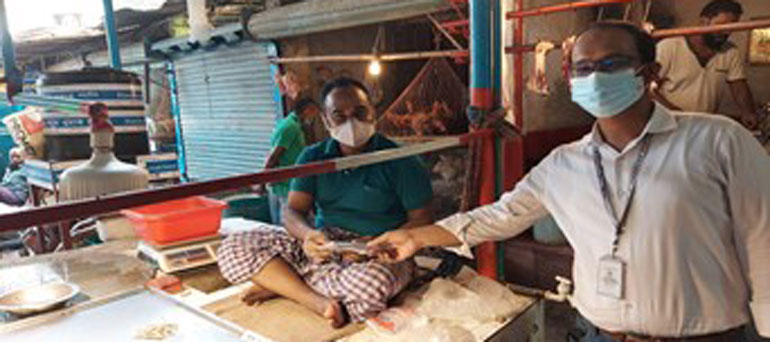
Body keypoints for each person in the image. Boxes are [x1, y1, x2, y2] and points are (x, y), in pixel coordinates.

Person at [370, 22, 769, 341]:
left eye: (611, 64)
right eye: (583, 68)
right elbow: (503, 215)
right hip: (602, 334)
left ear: (650, 73)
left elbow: (763, 236)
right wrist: (417, 237)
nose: (594, 77)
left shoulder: (718, 139)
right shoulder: (564, 163)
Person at [218, 77, 434, 328]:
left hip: (379, 249)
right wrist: (309, 235)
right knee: (234, 247)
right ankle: (317, 301)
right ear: (325, 120)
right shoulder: (313, 157)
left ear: (373, 112)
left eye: (359, 112)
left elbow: (422, 219)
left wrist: (382, 241)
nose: (351, 122)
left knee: (371, 286)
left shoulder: (401, 159)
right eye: (339, 115)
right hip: (327, 244)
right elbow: (291, 212)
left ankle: (285, 283)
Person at [653, 0, 759, 128]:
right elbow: (648, 89)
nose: (726, 32)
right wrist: (675, 113)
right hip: (670, 123)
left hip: (704, 125)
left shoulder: (730, 52)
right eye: (722, 26)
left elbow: (738, 85)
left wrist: (748, 111)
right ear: (704, 21)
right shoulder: (668, 47)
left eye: (731, 27)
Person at [256, 98, 320, 224]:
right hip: (285, 184)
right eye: (314, 113)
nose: (314, 117)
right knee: (290, 222)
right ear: (307, 110)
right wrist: (262, 181)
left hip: (288, 181)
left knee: (287, 221)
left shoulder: (291, 123)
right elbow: (274, 156)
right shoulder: (291, 127)